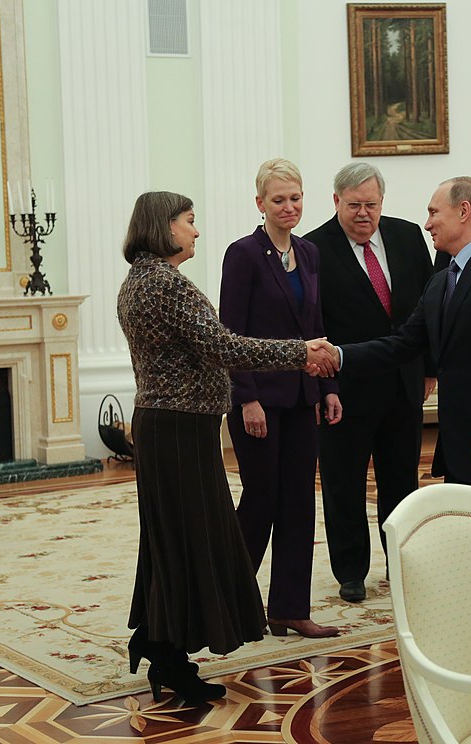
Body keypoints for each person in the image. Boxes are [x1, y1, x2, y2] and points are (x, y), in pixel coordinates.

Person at [117, 190, 336, 707]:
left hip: (167, 426)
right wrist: (298, 352)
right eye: (189, 222)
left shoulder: (140, 281)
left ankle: (160, 643)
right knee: (191, 539)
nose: (196, 231)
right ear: (162, 226)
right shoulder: (165, 285)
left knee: (172, 540)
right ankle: (166, 651)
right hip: (179, 431)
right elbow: (225, 346)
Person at [322, 177, 471, 492]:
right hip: (461, 445)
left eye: (434, 212)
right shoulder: (441, 281)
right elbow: (402, 344)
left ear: (463, 211)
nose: (427, 224)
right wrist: (339, 355)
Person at [219, 159, 342, 639]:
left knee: (298, 502)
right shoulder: (243, 254)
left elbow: (315, 328)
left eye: (295, 198)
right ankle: (229, 600)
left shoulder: (309, 253)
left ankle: (289, 608)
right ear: (260, 204)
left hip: (300, 398)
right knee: (261, 499)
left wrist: (327, 387)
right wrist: (246, 399)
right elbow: (231, 333)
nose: (289, 207)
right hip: (257, 398)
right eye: (278, 200)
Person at [304, 163, 435, 603]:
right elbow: (312, 322)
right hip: (345, 389)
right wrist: (326, 388)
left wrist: (430, 368)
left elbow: (427, 307)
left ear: (383, 203)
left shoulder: (407, 236)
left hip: (404, 385)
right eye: (354, 205)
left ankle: (401, 563)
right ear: (336, 201)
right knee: (344, 483)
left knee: (402, 481)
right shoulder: (313, 250)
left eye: (372, 205)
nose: (364, 214)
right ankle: (351, 571)